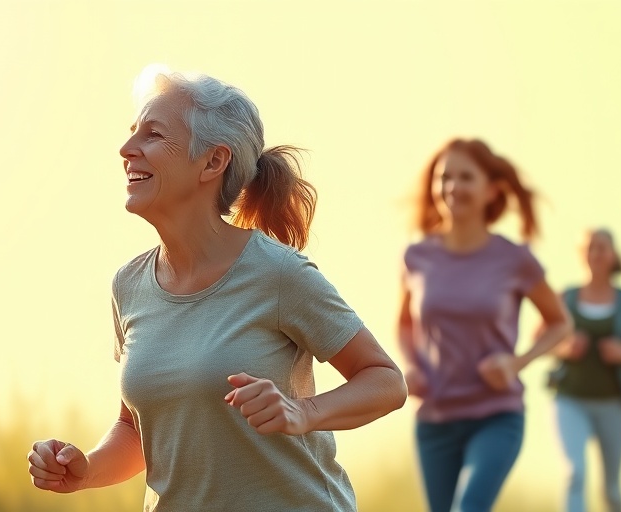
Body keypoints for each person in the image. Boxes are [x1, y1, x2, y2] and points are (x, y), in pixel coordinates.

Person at [27, 69, 407, 512]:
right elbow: (139, 427)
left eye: (153, 135)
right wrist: (85, 470)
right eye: (132, 132)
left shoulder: (278, 273)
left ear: (212, 161)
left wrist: (304, 412)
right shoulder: (128, 285)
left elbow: (385, 381)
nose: (126, 149)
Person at [398, 138, 572, 512]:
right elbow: (404, 324)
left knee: (470, 507)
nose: (453, 187)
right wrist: (411, 364)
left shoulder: (515, 260)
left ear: (492, 190)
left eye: (466, 177)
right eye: (445, 178)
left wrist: (516, 363)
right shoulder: (417, 257)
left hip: (496, 415)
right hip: (434, 418)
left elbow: (560, 323)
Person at [550, 228, 621, 512]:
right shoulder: (566, 298)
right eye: (590, 248)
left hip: (613, 403)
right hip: (570, 399)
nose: (596, 254)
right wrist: (565, 348)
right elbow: (540, 343)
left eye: (602, 247)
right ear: (581, 255)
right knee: (574, 473)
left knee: (611, 488)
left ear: (613, 255)